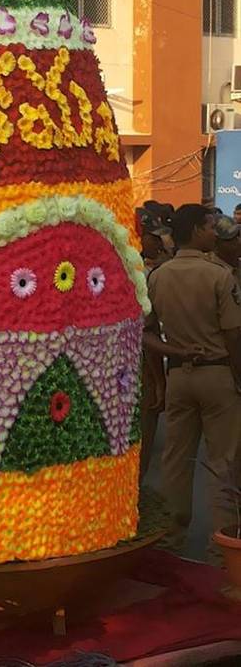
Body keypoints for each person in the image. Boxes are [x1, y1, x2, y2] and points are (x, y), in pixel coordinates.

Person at [144, 204, 241, 561]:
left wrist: (174, 355)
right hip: (218, 373)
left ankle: (170, 542)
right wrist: (238, 376)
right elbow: (233, 334)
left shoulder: (158, 276)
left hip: (178, 375)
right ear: (197, 231)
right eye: (211, 226)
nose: (215, 232)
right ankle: (222, 549)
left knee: (175, 460)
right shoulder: (219, 275)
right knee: (223, 463)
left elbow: (147, 335)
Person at [138, 213, 173, 483]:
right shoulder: (138, 271)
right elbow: (146, 330)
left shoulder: (153, 268)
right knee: (141, 436)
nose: (161, 244)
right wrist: (159, 381)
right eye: (156, 238)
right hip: (141, 365)